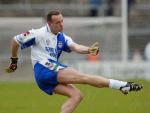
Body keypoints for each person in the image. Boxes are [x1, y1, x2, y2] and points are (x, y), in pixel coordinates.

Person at [6, 10, 143, 113]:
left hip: (43, 78)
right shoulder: (38, 33)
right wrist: (14, 60)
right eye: (57, 22)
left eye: (62, 21)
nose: (61, 24)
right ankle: (121, 85)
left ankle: (121, 86)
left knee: (77, 96)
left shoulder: (62, 37)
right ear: (49, 23)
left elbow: (75, 47)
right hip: (44, 69)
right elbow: (15, 40)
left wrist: (88, 50)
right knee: (84, 77)